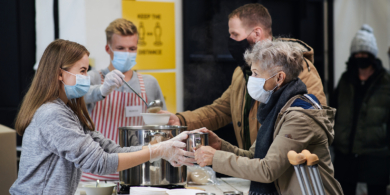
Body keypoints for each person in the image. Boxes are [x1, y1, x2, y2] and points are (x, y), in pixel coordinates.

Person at [9, 39, 194, 195]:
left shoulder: (68, 111)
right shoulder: (52, 114)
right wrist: (157, 151)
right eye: (82, 71)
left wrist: (161, 148)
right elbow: (99, 162)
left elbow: (111, 149)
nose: (86, 77)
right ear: (59, 74)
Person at [162, 3, 326, 150]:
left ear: (256, 34)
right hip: (254, 172)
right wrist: (180, 120)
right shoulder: (242, 73)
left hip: (284, 175)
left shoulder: (297, 68)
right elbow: (221, 110)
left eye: (235, 34)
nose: (231, 41)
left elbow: (314, 123)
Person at [193, 39, 343, 195]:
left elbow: (267, 170)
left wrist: (215, 158)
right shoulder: (277, 109)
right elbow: (254, 157)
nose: (252, 79)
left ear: (279, 78)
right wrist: (221, 146)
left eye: (256, 74)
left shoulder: (300, 116)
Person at [81, 18, 166, 181]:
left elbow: (160, 127)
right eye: (120, 48)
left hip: (136, 173)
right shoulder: (92, 79)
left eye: (132, 48)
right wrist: (103, 89)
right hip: (95, 174)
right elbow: (74, 99)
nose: (127, 54)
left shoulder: (149, 83)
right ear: (108, 48)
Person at [331, 24, 390, 195]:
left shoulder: (386, 82)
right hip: (345, 153)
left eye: (365, 53)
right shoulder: (345, 79)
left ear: (372, 55)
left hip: (376, 154)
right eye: (357, 53)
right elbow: (333, 109)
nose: (360, 57)